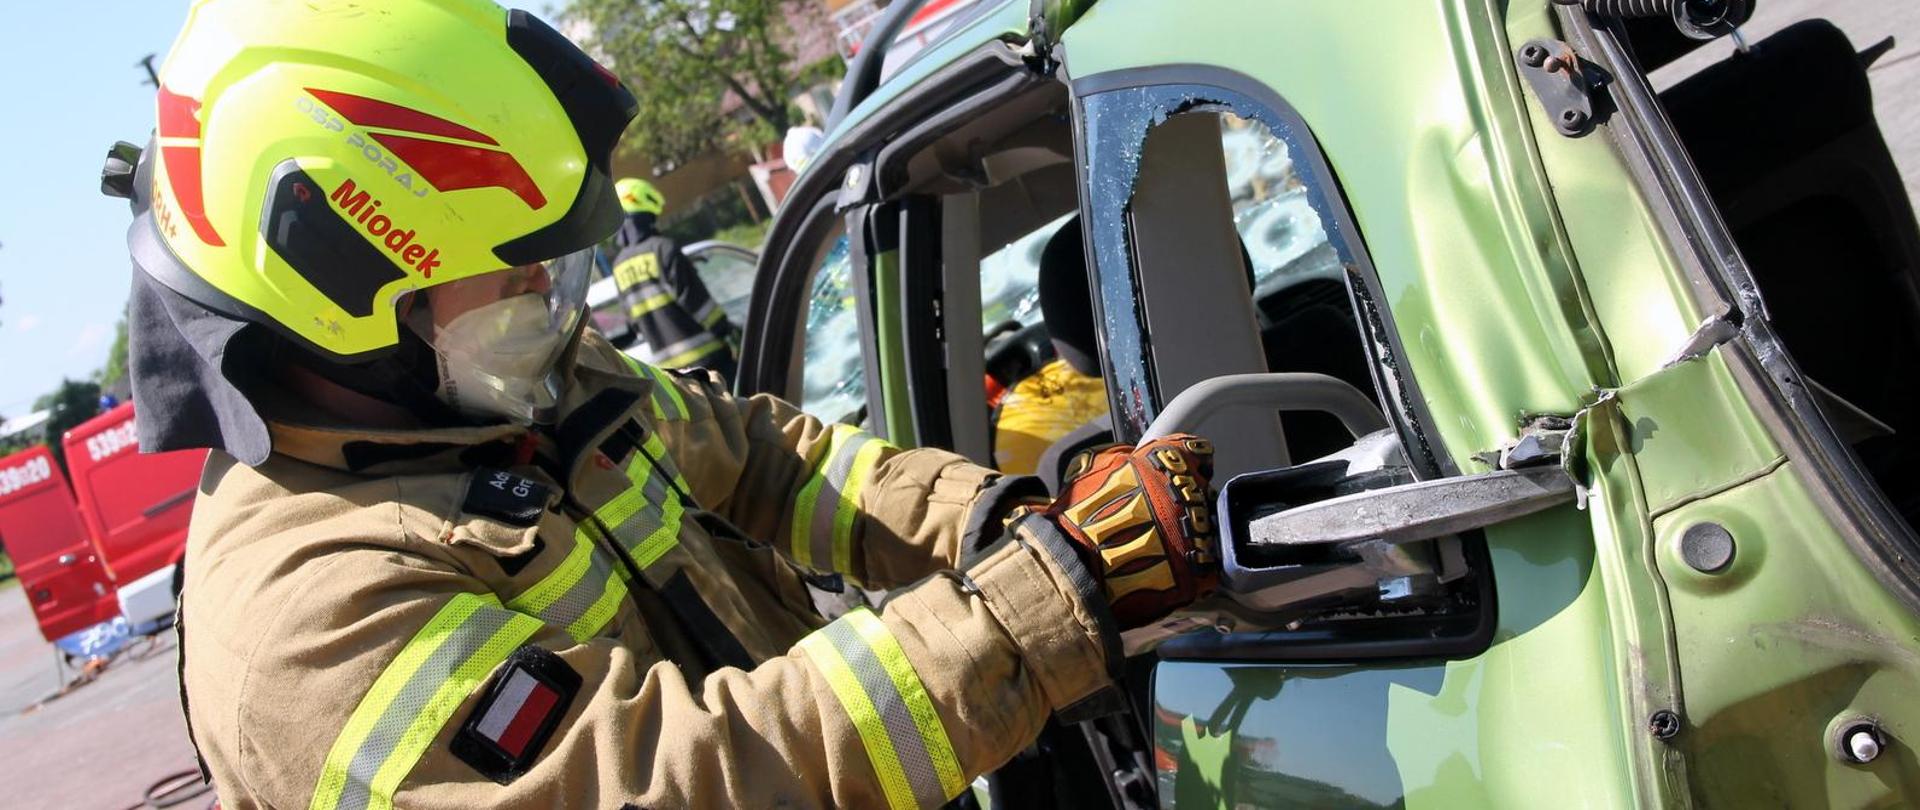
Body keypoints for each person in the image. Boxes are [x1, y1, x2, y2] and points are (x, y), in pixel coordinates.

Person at [118, 2, 1217, 807]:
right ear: (342, 278)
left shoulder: (491, 386)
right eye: (513, 272)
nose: (552, 304)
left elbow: (771, 462)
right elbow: (680, 783)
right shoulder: (307, 624)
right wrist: (1030, 609)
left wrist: (997, 525)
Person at [609, 176, 740, 382]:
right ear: (644, 214)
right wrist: (726, 330)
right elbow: (696, 300)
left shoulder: (619, 267)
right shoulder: (663, 248)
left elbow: (634, 323)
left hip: (673, 377)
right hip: (711, 364)